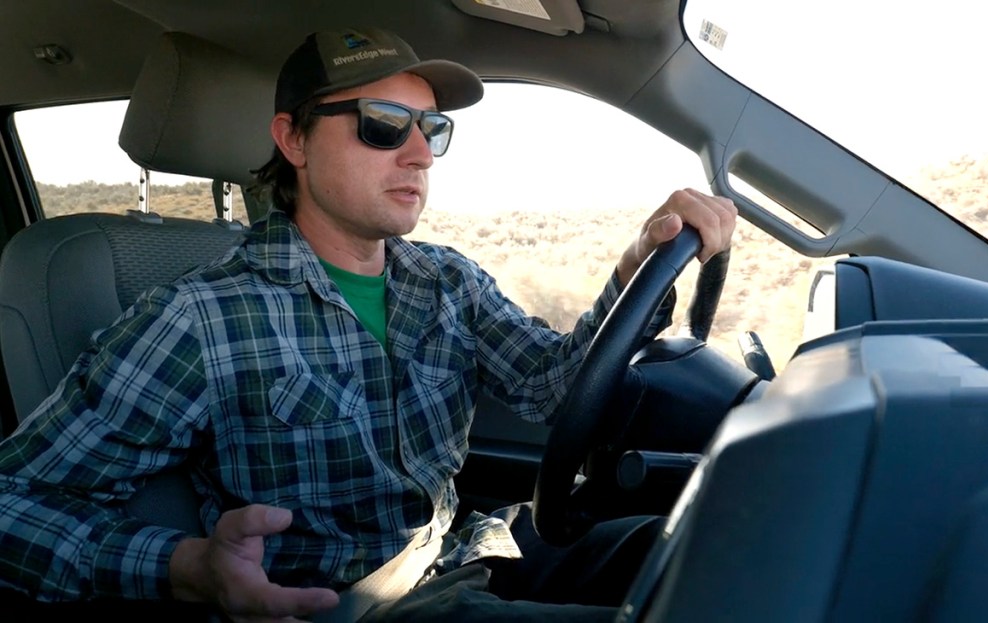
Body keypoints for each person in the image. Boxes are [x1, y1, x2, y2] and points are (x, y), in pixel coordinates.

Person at [0, 27, 736, 622]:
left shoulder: (447, 279)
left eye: (433, 129)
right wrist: (187, 567)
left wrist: (637, 264)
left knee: (722, 548)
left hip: (466, 549)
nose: (419, 153)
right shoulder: (202, 318)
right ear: (293, 141)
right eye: (383, 126)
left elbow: (552, 387)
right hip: (357, 607)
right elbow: (14, 502)